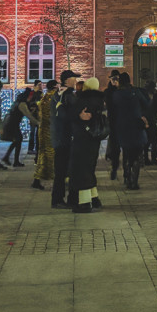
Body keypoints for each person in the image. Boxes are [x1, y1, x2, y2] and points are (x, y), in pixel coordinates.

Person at [69, 77, 107, 213]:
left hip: (82, 138)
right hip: (94, 139)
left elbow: (72, 115)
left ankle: (84, 203)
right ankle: (94, 198)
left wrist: (76, 116)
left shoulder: (83, 100)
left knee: (81, 169)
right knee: (89, 167)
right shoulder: (100, 101)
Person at [113, 72, 150, 190]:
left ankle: (127, 177)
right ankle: (134, 181)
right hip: (136, 125)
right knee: (137, 154)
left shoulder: (117, 94)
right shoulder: (136, 92)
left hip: (122, 126)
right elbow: (147, 104)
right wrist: (142, 115)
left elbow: (112, 109)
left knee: (126, 152)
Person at [50, 71, 80, 208]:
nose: (76, 80)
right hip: (65, 138)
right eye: (74, 78)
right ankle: (58, 200)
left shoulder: (59, 95)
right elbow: (70, 116)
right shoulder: (67, 95)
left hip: (60, 137)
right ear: (68, 80)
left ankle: (58, 199)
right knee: (63, 170)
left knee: (61, 171)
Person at [32, 79, 57, 190]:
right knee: (50, 154)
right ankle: (52, 178)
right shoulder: (51, 98)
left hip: (43, 130)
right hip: (49, 131)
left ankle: (37, 178)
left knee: (43, 154)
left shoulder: (45, 97)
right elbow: (50, 117)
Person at [0, 85, 31, 167]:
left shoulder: (18, 102)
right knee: (18, 139)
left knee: (17, 140)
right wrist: (38, 122)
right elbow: (28, 115)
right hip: (13, 124)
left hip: (12, 123)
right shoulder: (22, 104)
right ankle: (14, 161)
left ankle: (8, 158)